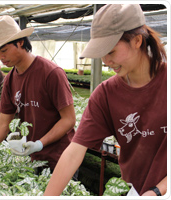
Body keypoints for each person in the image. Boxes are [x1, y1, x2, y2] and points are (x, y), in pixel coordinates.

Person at [44, 4, 167, 196]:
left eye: (110, 51)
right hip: (137, 191)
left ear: (137, 41)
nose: (105, 61)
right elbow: (74, 151)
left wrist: (158, 191)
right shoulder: (106, 95)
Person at [0, 15, 76, 173]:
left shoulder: (51, 73)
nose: (1, 57)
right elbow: (2, 125)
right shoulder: (10, 80)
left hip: (61, 157)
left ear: (20, 42)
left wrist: (40, 143)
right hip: (33, 158)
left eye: (4, 50)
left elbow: (69, 119)